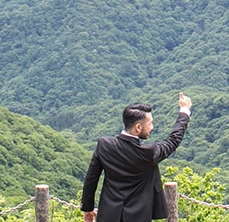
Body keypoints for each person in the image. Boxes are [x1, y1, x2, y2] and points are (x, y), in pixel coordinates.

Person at [81, 93, 193, 222]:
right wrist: (184, 111)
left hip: (108, 215)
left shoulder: (104, 145)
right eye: (150, 124)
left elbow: (91, 178)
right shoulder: (148, 153)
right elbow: (173, 140)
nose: (152, 127)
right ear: (138, 127)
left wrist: (88, 209)